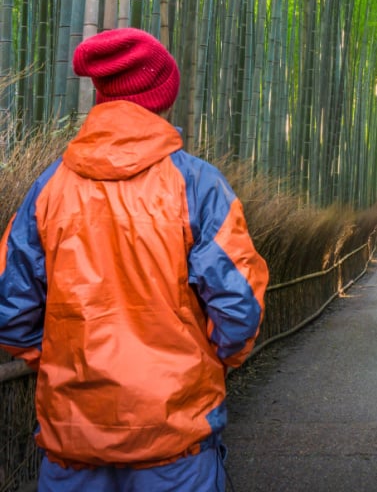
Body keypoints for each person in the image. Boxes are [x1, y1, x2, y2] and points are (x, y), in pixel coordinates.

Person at [0, 27, 269, 491]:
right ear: (162, 98)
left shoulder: (48, 190)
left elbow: (11, 311)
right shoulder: (198, 186)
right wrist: (207, 362)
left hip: (71, 442)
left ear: (101, 97)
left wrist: (61, 362)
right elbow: (239, 311)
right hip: (175, 442)